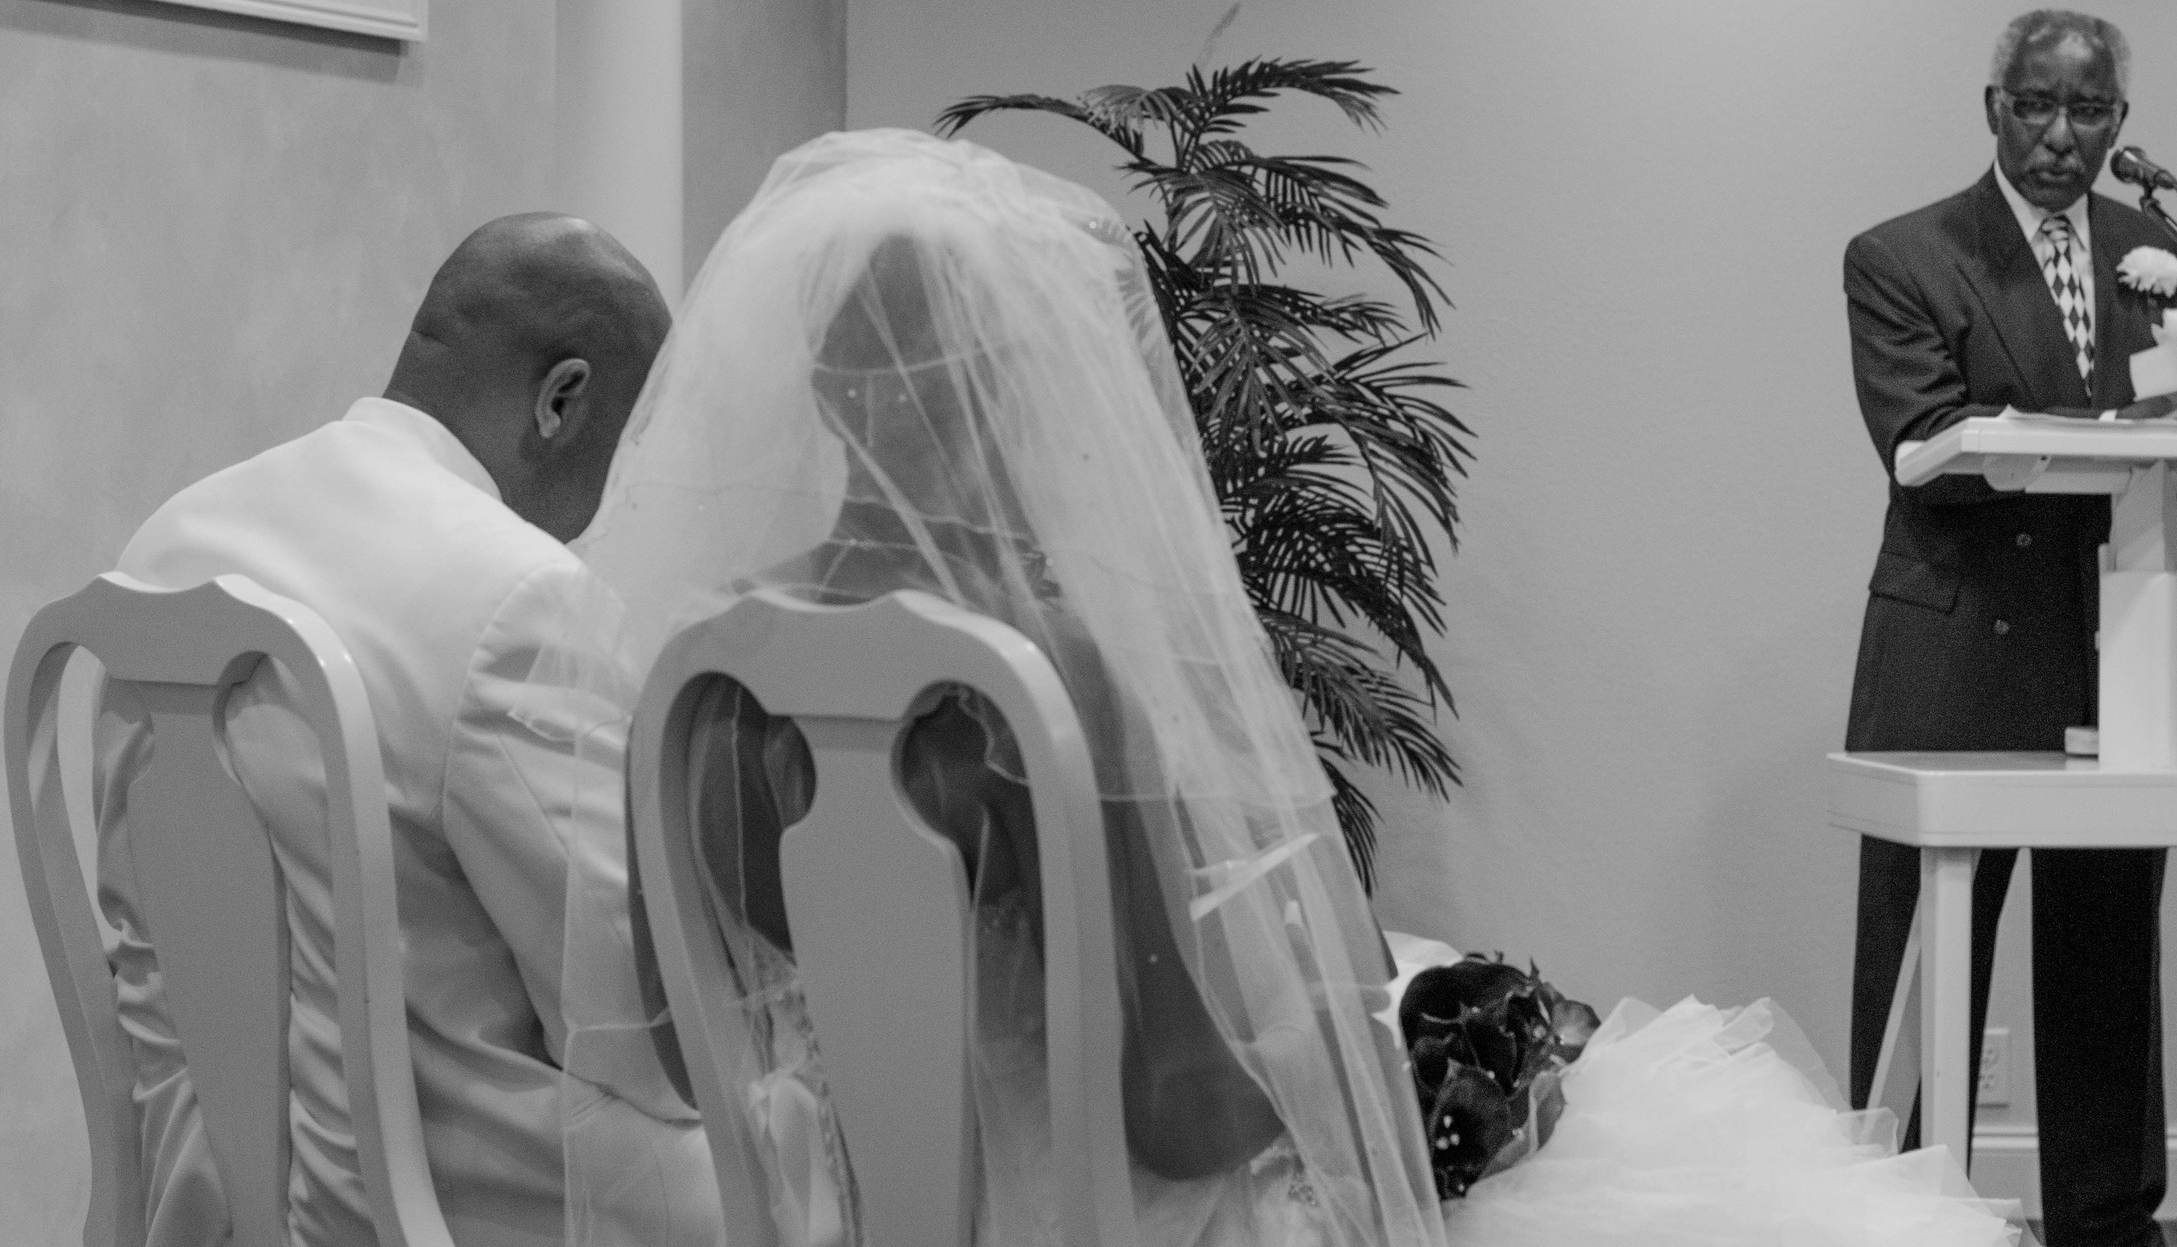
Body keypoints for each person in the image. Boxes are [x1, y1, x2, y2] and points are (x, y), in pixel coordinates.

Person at [554, 129, 2028, 1247]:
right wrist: (1377, 1079)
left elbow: (684, 1050)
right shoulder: (1038, 671)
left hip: (832, 1216)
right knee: (1612, 1139)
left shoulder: (703, 676)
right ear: (1017, 400)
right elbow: (1175, 1114)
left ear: (817, 394)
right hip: (1087, 1221)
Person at [98, 214, 715, 1246]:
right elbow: (635, 1032)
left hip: (196, 1196)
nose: (614, 504)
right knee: (825, 1149)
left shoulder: (169, 539)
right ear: (563, 400)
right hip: (439, 1204)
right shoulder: (515, 593)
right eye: (631, 450)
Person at [1840, 10, 2177, 1246]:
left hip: (2125, 641)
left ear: (2120, 122)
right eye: (2037, 105)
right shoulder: (1902, 254)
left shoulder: (2166, 254)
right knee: (1924, 962)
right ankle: (1896, 1220)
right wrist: (2100, 432)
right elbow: (1919, 441)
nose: (2062, 134)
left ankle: (2107, 1225)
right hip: (1962, 646)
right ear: (1992, 107)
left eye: (2089, 110)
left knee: (2108, 962)